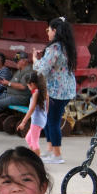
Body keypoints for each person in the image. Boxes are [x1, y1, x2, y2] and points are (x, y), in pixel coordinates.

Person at [33, 17, 78, 164]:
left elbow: (43, 69)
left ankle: (57, 154)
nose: (48, 33)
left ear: (54, 30)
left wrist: (35, 60)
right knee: (52, 120)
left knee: (52, 121)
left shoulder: (55, 48)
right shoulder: (67, 47)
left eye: (49, 30)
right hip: (66, 89)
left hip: (56, 90)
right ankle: (50, 150)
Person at [0, 52, 34, 130]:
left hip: (20, 97)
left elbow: (23, 86)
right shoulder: (20, 70)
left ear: (24, 61)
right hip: (10, 94)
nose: (15, 63)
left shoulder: (28, 71)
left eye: (17, 61)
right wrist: (4, 83)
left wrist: (8, 83)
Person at [15, 71, 48, 154]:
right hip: (41, 119)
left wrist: (23, 122)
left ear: (32, 84)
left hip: (36, 121)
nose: (28, 87)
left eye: (28, 85)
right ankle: (33, 155)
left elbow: (32, 108)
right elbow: (47, 105)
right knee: (28, 138)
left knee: (34, 141)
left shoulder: (36, 93)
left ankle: (37, 159)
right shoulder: (43, 92)